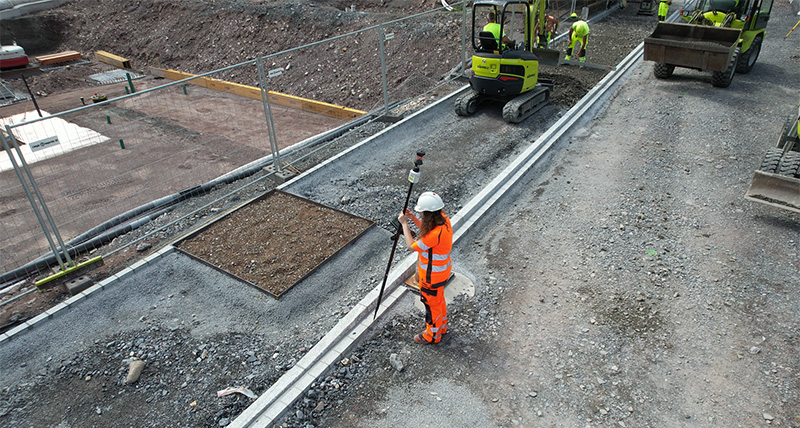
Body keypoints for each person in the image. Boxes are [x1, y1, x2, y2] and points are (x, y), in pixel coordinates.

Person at [397, 191, 453, 345]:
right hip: (441, 274)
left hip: (431, 279)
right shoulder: (444, 221)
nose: (419, 214)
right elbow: (427, 230)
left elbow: (411, 246)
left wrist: (404, 224)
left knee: (431, 308)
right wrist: (413, 218)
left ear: (428, 214)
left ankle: (432, 336)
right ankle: (442, 327)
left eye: (421, 212)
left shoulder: (434, 235)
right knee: (438, 301)